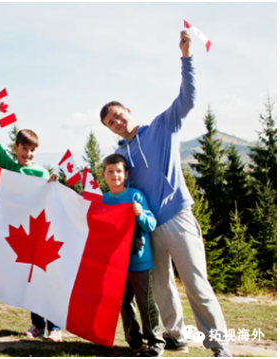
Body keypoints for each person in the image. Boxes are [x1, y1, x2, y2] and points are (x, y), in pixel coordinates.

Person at [98, 31, 231, 357]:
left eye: (117, 115)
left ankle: (219, 345)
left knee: (197, 285)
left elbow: (188, 99)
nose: (116, 122)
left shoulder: (162, 125)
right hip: (149, 227)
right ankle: (175, 336)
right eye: (110, 123)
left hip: (178, 217)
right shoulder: (122, 156)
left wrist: (186, 56)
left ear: (127, 110)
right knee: (161, 288)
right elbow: (114, 185)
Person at [0, 102, 62, 343]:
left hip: (42, 233)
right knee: (31, 282)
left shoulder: (41, 173)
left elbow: (53, 200)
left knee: (47, 280)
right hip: (22, 235)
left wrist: (53, 186)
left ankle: (55, 327)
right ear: (16, 148)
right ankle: (37, 325)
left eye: (32, 150)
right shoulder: (10, 166)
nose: (28, 154)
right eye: (24, 149)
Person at [101, 154, 165, 357]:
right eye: (110, 171)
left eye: (118, 171)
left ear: (126, 174)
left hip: (139, 261)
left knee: (145, 302)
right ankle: (134, 341)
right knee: (124, 303)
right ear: (104, 175)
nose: (115, 175)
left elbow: (151, 224)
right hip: (115, 264)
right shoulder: (104, 199)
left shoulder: (135, 196)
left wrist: (140, 214)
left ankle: (155, 341)